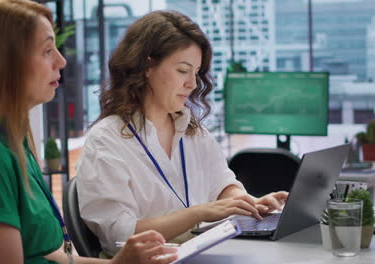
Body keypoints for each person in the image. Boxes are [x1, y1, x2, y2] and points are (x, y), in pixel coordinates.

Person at [0, 0, 177, 263]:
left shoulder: (12, 143)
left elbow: (50, 254)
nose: (61, 61)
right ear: (4, 64)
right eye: (47, 51)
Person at [76, 10, 289, 256]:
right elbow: (120, 234)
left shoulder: (194, 133)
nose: (193, 83)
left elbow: (222, 185)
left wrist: (245, 202)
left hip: (202, 254)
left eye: (196, 72)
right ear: (148, 66)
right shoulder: (106, 140)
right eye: (182, 70)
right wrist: (198, 213)